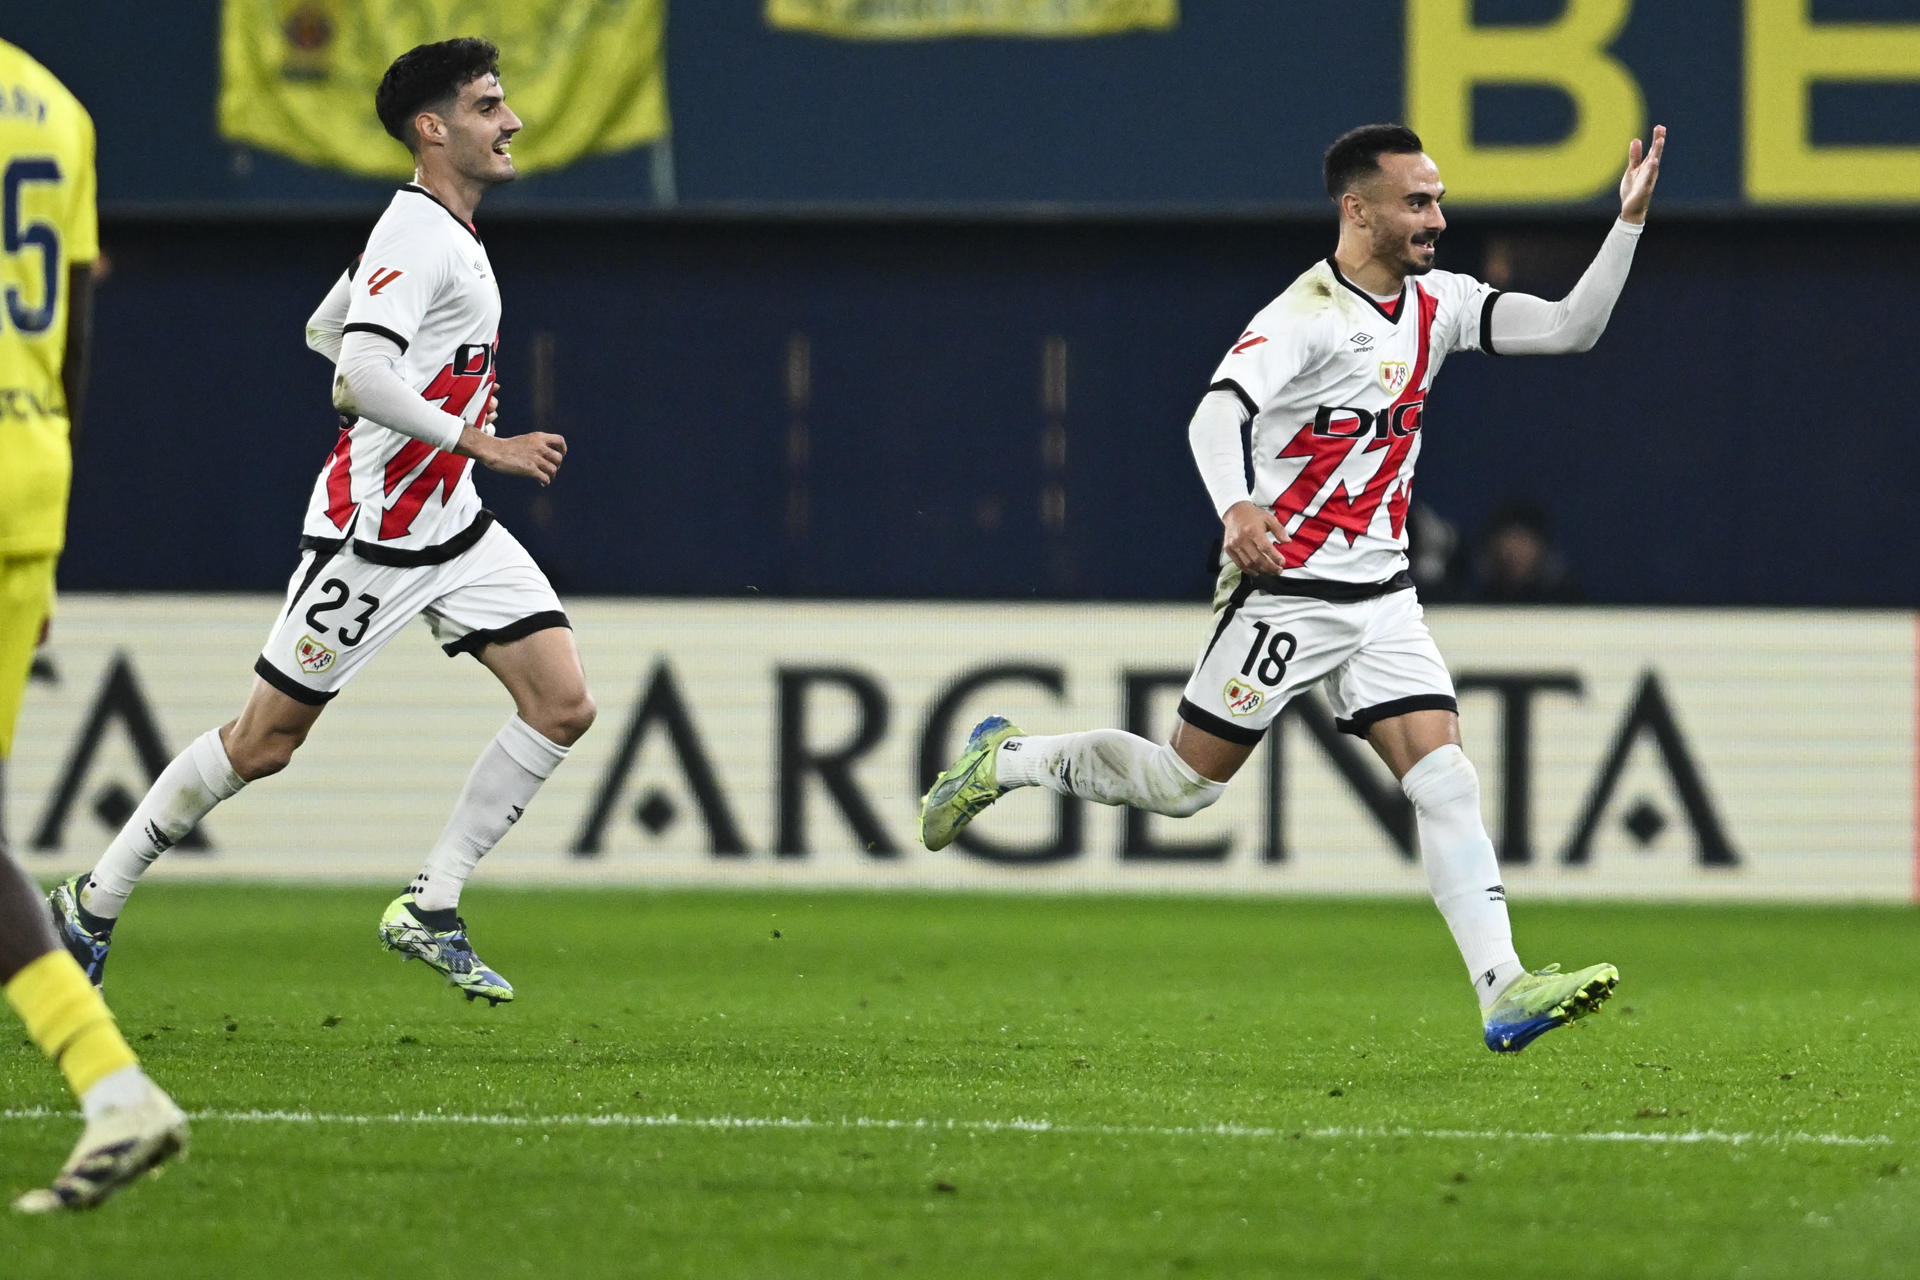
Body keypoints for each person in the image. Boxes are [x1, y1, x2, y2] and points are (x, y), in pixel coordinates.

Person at [922, 121, 1665, 1053]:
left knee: (1445, 780)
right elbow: (1213, 413)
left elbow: (1569, 327)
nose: (1439, 217)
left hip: (1384, 595)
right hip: (1288, 592)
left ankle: (1502, 988)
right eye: (1418, 201)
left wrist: (1627, 224)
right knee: (1184, 785)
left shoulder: (1440, 306)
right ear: (1359, 211)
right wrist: (1238, 508)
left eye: (1437, 198)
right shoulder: (1303, 316)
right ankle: (1006, 759)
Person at [49, 37, 595, 1007]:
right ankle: (91, 903)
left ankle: (430, 904)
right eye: (487, 105)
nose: (510, 121)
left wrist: (442, 441)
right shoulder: (418, 236)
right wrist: (478, 440)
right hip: (373, 537)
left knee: (561, 703)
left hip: (452, 527)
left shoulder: (441, 233)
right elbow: (357, 372)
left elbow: (326, 331)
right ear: (433, 129)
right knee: (263, 742)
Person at [0, 37, 189, 1212]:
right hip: (30, 473)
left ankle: (117, 1087)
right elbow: (70, 322)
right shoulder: (57, 105)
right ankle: (111, 1086)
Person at [1472, 497, 1584, 603]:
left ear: (1541, 546)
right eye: (1509, 538)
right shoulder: (1475, 607)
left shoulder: (1567, 606)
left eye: (1523, 539)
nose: (1515, 550)